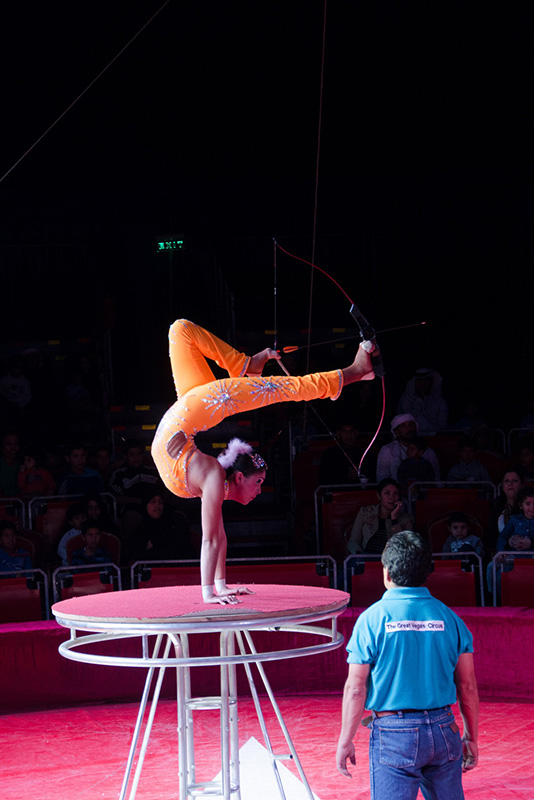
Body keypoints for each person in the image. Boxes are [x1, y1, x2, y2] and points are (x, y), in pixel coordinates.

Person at [151, 318, 376, 604]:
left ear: (238, 477)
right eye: (259, 482)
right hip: (192, 411)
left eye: (259, 483)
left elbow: (214, 538)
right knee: (277, 386)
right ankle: (351, 373)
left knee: (183, 331)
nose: (259, 490)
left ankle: (250, 365)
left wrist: (215, 589)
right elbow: (215, 538)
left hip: (191, 411)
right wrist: (214, 591)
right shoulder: (212, 477)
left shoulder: (212, 477)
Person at [336, 531, 479, 798]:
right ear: (427, 574)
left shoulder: (371, 620)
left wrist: (346, 739)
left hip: (394, 735)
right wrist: (471, 737)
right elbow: (467, 686)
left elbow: (355, 688)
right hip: (444, 729)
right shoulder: (451, 619)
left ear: (387, 572)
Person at [346, 478, 414, 555]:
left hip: (391, 559)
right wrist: (359, 555)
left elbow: (406, 546)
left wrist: (394, 518)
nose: (392, 497)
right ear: (379, 496)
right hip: (366, 556)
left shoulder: (406, 519)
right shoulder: (365, 512)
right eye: (387, 493)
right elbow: (354, 540)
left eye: (395, 494)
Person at [376, 413, 440, 483]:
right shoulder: (387, 450)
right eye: (403, 426)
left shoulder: (428, 452)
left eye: (411, 425)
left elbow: (435, 479)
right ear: (396, 432)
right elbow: (382, 478)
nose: (409, 429)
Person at [109, 439, 159, 509]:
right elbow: (113, 497)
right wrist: (136, 501)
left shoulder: (153, 471)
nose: (136, 458)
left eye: (139, 454)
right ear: (125, 457)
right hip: (131, 508)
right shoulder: (119, 474)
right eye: (132, 454)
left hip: (157, 506)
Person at [396, 367, 448, 433]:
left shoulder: (440, 402)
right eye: (419, 380)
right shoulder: (406, 400)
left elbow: (442, 426)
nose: (422, 384)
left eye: (426, 381)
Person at [487, 469, 524, 553]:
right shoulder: (496, 507)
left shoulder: (530, 506)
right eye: (506, 481)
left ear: (522, 485)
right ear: (503, 487)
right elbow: (492, 535)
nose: (510, 484)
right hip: (503, 552)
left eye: (515, 481)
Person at [318, 421, 363, 486]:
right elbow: (323, 479)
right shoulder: (329, 454)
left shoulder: (363, 453)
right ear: (338, 434)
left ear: (356, 433)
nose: (348, 435)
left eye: (351, 431)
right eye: (344, 432)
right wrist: (345, 476)